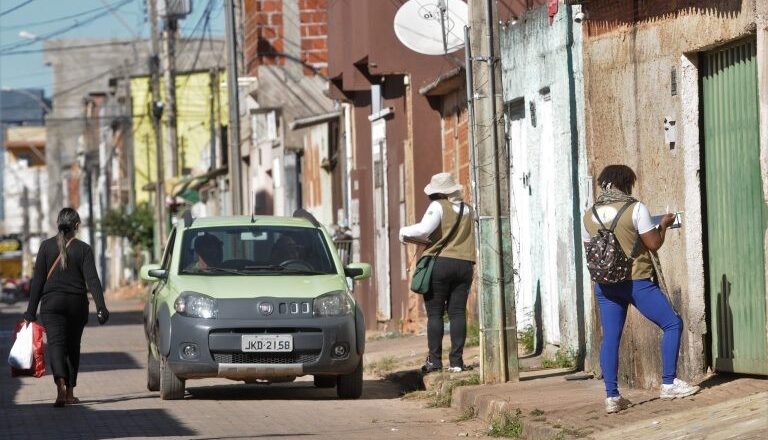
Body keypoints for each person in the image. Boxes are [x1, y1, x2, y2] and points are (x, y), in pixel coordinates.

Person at [582, 165, 699, 414]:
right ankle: (668, 383)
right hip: (636, 281)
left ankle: (612, 396)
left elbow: (591, 250)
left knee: (611, 338)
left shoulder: (588, 214)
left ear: (604, 184)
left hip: (605, 285)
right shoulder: (635, 208)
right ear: (626, 183)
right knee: (672, 323)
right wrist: (664, 224)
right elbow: (653, 243)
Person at [23, 208, 109, 407]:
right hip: (76, 305)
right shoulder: (84, 249)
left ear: (58, 224)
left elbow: (37, 282)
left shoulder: (45, 247)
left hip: (51, 305)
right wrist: (101, 308)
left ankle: (60, 386)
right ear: (77, 226)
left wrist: (30, 312)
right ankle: (70, 392)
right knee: (72, 347)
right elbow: (93, 281)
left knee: (56, 346)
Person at [400, 172, 476, 374]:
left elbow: (424, 230)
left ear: (439, 192)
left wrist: (403, 231)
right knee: (458, 313)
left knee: (435, 314)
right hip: (465, 265)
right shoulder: (469, 209)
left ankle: (434, 361)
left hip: (440, 264)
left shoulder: (438, 206)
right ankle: (457, 362)